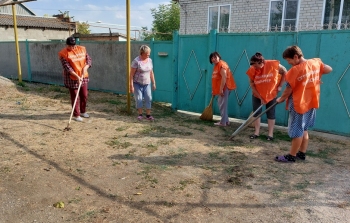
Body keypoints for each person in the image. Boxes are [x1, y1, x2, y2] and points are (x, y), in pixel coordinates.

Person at [275, 45, 332, 162]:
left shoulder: (294, 71)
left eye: (289, 60)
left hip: (299, 104)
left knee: (297, 131)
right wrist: (316, 76)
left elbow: (288, 89)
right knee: (304, 128)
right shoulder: (315, 62)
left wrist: (280, 99)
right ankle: (302, 153)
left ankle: (291, 156)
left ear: (295, 57)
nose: (289, 63)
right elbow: (329, 69)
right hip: (311, 102)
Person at [246, 52, 287, 140]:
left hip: (271, 94)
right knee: (257, 113)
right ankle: (256, 132)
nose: (254, 67)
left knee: (271, 113)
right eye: (253, 66)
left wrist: (280, 85)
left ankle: (270, 134)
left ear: (261, 62)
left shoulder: (273, 64)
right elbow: (252, 84)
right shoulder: (252, 69)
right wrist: (260, 97)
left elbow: (285, 72)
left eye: (256, 65)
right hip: (257, 95)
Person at [58, 37, 92, 122]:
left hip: (83, 76)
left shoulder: (82, 49)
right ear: (66, 45)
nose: (71, 47)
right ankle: (76, 115)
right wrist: (77, 77)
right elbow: (67, 68)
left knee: (84, 95)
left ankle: (83, 111)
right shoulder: (64, 53)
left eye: (73, 46)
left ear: (75, 44)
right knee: (75, 97)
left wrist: (86, 67)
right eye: (69, 46)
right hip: (72, 78)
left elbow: (89, 60)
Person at [209, 52, 236, 126]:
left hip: (225, 87)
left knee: (222, 105)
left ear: (219, 57)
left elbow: (224, 77)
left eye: (215, 57)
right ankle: (226, 121)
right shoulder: (216, 66)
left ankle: (223, 122)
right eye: (212, 58)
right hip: (222, 87)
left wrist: (221, 89)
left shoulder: (221, 65)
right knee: (221, 104)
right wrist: (214, 90)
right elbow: (217, 79)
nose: (213, 59)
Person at [130, 45, 156, 121]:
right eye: (147, 53)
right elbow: (131, 74)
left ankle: (148, 115)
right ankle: (140, 114)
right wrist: (131, 85)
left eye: (149, 53)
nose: (149, 55)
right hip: (137, 83)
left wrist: (154, 83)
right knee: (139, 98)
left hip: (147, 83)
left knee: (148, 98)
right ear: (142, 53)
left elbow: (151, 72)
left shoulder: (150, 60)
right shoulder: (136, 61)